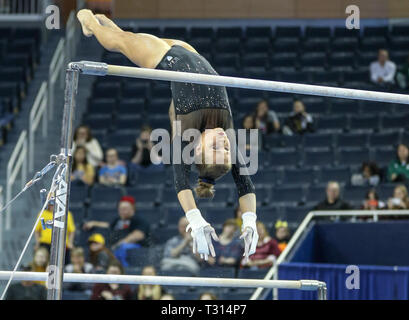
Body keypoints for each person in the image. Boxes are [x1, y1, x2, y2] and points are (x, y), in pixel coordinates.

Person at [77, 10, 258, 262]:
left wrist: (195, 219)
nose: (225, 144)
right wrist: (250, 221)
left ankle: (87, 22)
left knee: (117, 43)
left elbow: (181, 183)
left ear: (196, 150)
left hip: (165, 59)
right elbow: (245, 184)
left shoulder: (188, 137)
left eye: (218, 149)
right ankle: (113, 28)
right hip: (191, 54)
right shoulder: (225, 132)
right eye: (227, 150)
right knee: (127, 38)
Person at [83, 196, 150, 267]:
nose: (122, 211)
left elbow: (139, 234)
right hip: (117, 246)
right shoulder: (118, 220)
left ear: (132, 208)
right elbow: (109, 226)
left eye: (125, 209)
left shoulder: (139, 220)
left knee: (123, 247)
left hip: (136, 247)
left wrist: (120, 243)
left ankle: (122, 268)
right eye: (120, 209)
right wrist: (94, 223)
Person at [34, 199, 75, 263]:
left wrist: (70, 243)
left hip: (61, 243)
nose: (52, 205)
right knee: (44, 262)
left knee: (63, 263)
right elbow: (37, 230)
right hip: (45, 244)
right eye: (50, 203)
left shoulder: (67, 214)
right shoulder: (42, 213)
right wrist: (37, 243)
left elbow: (71, 231)